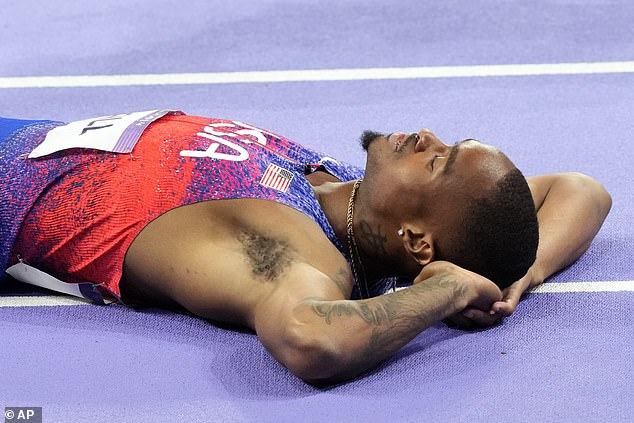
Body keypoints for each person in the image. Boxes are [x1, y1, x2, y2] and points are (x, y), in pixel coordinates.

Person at [0, 112, 611, 383]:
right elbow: (580, 190)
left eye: (439, 162)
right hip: (26, 133)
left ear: (420, 242)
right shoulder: (344, 190)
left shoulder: (293, 248)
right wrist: (520, 277)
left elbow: (314, 337)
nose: (427, 135)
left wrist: (452, 288)